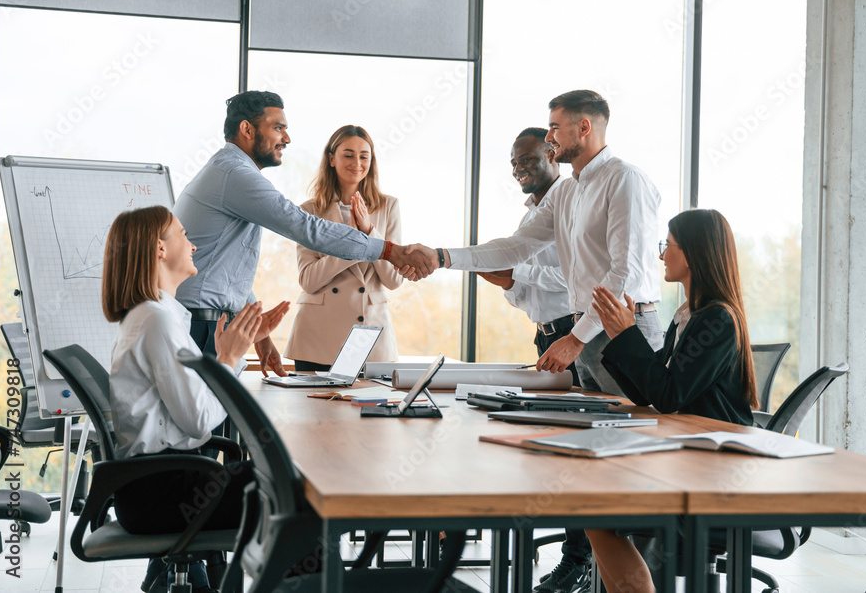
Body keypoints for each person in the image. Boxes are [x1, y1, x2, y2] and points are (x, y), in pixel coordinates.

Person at [410, 89, 665, 396]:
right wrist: (441, 257)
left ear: (584, 128)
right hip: (586, 329)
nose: (549, 136)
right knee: (595, 430)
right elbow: (516, 247)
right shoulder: (567, 191)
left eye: (555, 127)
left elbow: (626, 274)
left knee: (640, 431)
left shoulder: (625, 179)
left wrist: (575, 339)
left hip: (623, 329)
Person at [173, 91, 433, 375]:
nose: (287, 138)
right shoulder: (236, 175)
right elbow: (306, 228)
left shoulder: (230, 171)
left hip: (209, 322)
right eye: (278, 128)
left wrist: (260, 334)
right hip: (201, 324)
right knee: (203, 416)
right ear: (246, 129)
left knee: (213, 415)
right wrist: (387, 250)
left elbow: (227, 270)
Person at [101, 205, 284, 592]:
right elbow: (200, 422)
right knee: (296, 491)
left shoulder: (154, 316)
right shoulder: (157, 320)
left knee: (288, 482)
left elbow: (194, 405)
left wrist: (226, 357)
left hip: (157, 486)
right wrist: (229, 358)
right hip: (162, 492)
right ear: (160, 249)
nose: (194, 246)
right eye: (183, 235)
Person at [585, 208, 757, 593]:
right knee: (591, 505)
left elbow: (668, 396)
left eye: (669, 246)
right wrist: (621, 336)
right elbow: (650, 392)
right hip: (690, 462)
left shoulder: (717, 321)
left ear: (694, 253)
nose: (662, 254)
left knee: (594, 507)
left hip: (714, 478)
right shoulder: (690, 317)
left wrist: (628, 334)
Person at [477, 127, 589, 593]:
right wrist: (507, 283)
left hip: (574, 337)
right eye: (513, 162)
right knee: (554, 452)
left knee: (576, 455)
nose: (518, 167)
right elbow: (530, 295)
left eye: (526, 158)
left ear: (552, 153)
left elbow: (569, 277)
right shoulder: (532, 213)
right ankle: (578, 554)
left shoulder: (566, 200)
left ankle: (579, 560)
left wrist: (513, 268)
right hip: (546, 337)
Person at [284, 125, 404, 371]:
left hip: (371, 337)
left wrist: (370, 234)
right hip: (317, 338)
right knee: (313, 409)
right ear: (331, 158)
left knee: (369, 409)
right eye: (348, 154)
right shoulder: (310, 210)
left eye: (364, 156)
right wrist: (351, 243)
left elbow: (394, 279)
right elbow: (308, 280)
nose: (357, 162)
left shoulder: (388, 206)